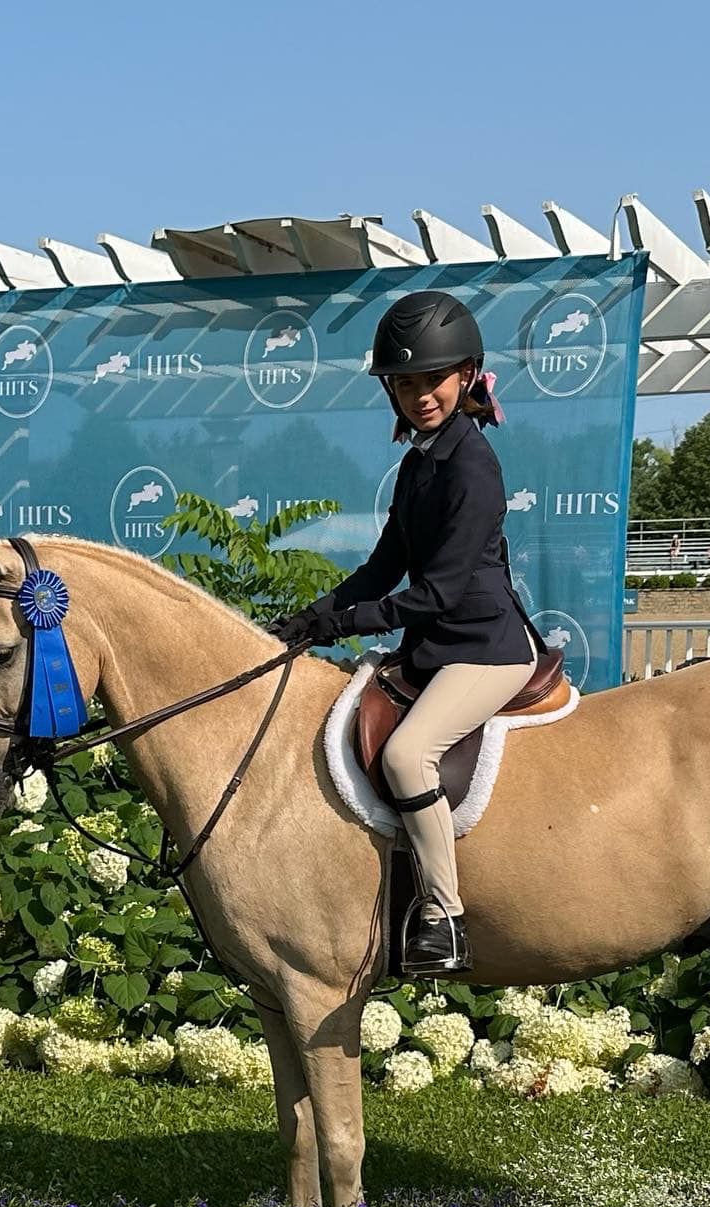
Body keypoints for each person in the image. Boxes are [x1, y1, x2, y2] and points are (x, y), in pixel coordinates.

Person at [270, 290, 541, 975]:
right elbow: (384, 566)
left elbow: (438, 592)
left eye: (434, 380)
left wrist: (350, 622)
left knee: (407, 754)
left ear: (468, 375)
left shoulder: (473, 466)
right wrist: (313, 616)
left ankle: (445, 918)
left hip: (485, 648)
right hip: (439, 645)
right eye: (407, 383)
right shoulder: (422, 462)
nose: (422, 396)